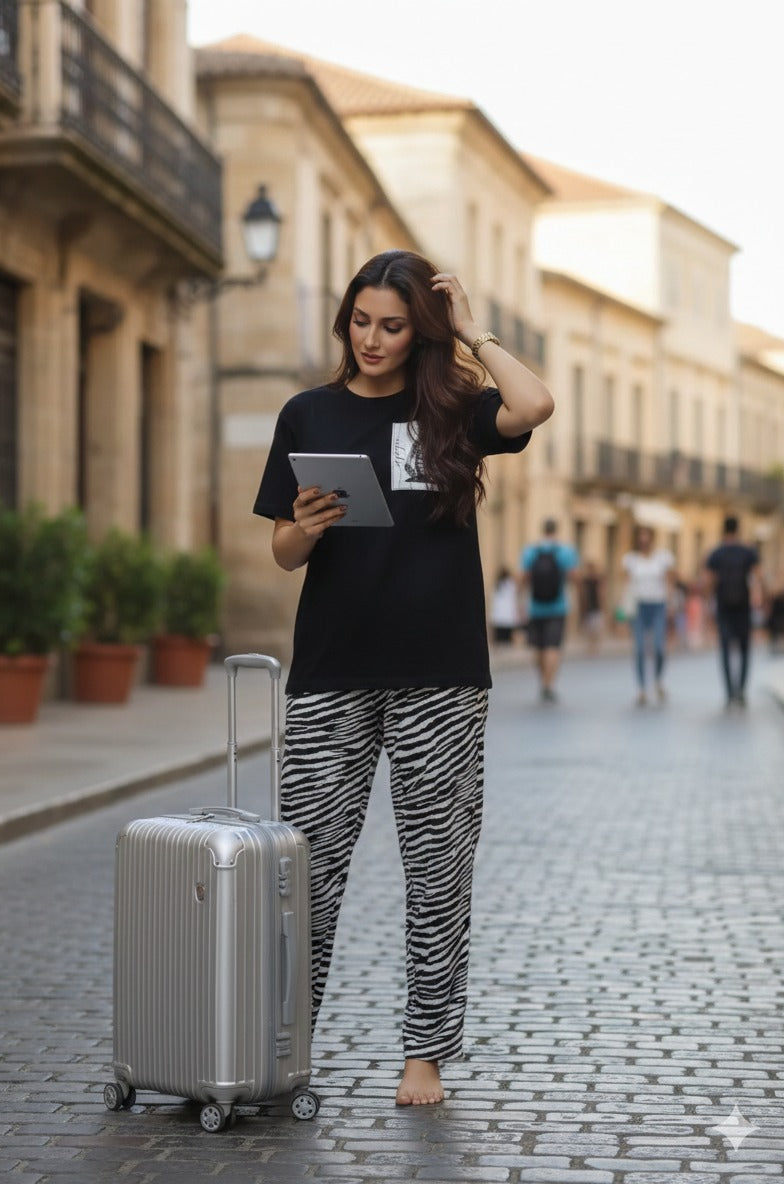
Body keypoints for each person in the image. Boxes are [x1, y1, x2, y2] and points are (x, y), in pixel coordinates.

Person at [252, 249, 554, 1107]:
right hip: (332, 668)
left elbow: (535, 402)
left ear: (418, 327)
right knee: (304, 869)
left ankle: (425, 1056)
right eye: (361, 321)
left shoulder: (454, 411)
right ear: (345, 319)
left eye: (393, 324)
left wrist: (470, 331)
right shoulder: (306, 413)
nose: (374, 339)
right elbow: (280, 550)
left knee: (436, 866)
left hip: (441, 672)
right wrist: (306, 526)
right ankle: (281, 1043)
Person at [705, 515, 763, 706]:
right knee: (745, 649)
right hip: (743, 607)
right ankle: (741, 691)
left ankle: (730, 692)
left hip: (723, 607)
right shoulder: (748, 552)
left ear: (723, 531)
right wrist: (759, 598)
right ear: (738, 530)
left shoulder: (717, 553)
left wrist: (707, 604)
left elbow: (710, 582)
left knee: (725, 649)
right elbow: (757, 578)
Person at [519, 519, 579, 702]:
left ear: (543, 530)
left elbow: (522, 578)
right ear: (556, 530)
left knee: (538, 647)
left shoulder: (530, 551)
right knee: (553, 646)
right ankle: (548, 684)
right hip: (557, 607)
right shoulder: (565, 552)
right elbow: (575, 577)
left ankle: (542, 681)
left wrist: (519, 603)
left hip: (535, 607)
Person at [621, 525, 676, 706]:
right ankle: (642, 688)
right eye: (641, 537)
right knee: (639, 649)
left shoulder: (663, 558)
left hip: (658, 606)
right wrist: (622, 612)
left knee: (659, 647)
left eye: (647, 537)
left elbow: (669, 582)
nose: (644, 540)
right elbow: (626, 586)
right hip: (638, 607)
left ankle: (658, 679)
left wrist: (670, 605)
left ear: (652, 538)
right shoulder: (630, 560)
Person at [578, 558, 605, 654]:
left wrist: (602, 606)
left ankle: (595, 646)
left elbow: (601, 593)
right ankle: (591, 645)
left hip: (596, 607)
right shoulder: (585, 580)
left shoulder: (597, 579)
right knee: (589, 628)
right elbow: (582, 594)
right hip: (588, 608)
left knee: (596, 628)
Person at [490, 566, 521, 644]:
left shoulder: (496, 586)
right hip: (508, 618)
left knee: (500, 641)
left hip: (498, 618)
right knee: (507, 641)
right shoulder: (511, 585)